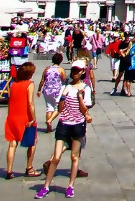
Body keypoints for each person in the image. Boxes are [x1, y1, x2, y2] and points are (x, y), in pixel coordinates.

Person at [36, 64, 92, 199]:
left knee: (74, 157)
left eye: (77, 71)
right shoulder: (64, 87)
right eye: (73, 70)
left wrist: (79, 97)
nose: (74, 73)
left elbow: (85, 111)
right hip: (64, 124)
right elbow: (60, 109)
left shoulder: (86, 89)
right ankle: (46, 186)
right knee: (56, 157)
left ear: (82, 72)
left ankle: (71, 186)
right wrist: (62, 97)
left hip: (78, 124)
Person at [3, 61, 39, 179]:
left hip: (12, 116)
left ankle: (9, 171)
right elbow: (30, 102)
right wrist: (33, 117)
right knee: (32, 142)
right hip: (25, 117)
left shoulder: (13, 84)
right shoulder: (30, 84)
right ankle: (29, 168)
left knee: (12, 144)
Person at [40, 54, 65, 132]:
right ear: (60, 60)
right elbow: (63, 79)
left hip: (47, 90)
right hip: (56, 91)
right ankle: (50, 120)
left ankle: (48, 128)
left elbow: (42, 80)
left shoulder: (47, 69)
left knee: (49, 108)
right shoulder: (61, 69)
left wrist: (38, 90)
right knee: (58, 108)